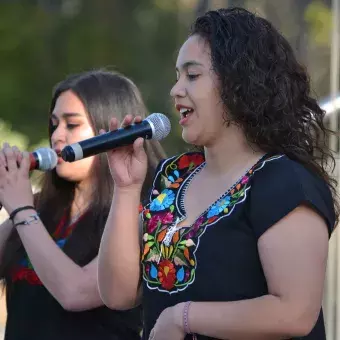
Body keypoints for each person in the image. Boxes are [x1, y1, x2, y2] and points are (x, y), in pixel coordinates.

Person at [97, 7, 338, 340]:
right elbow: (118, 294)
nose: (175, 90)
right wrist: (125, 189)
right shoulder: (173, 177)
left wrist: (183, 317)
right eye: (177, 75)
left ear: (241, 84)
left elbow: (294, 312)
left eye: (192, 76)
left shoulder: (283, 181)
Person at [0, 69, 166, 340]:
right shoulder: (41, 206)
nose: (57, 136)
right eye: (54, 124)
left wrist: (20, 209)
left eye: (72, 125)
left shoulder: (144, 208)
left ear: (106, 130)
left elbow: (74, 293)